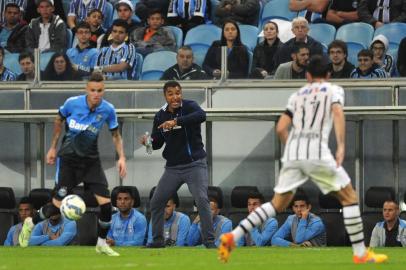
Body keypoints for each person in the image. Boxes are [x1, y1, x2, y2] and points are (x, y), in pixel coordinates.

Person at [218, 55, 388, 264]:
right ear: (328, 75)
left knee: (276, 204)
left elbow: (281, 127)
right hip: (316, 151)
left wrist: (293, 148)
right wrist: (342, 146)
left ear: (307, 75)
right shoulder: (334, 90)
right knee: (350, 197)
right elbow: (337, 114)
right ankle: (360, 253)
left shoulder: (297, 96)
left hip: (293, 152)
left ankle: (232, 236)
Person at [18, 72, 127, 256]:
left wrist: (122, 157)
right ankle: (30, 222)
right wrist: (52, 148)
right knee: (57, 205)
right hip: (69, 160)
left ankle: (101, 243)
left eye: (100, 90)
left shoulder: (108, 109)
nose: (96, 94)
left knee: (107, 204)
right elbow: (58, 119)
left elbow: (116, 135)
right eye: (93, 90)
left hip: (92, 161)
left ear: (104, 90)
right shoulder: (72, 103)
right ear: (87, 89)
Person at [140, 80, 215, 248]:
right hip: (173, 167)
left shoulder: (190, 106)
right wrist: (147, 142)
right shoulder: (160, 115)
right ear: (165, 96)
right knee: (157, 201)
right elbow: (157, 142)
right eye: (171, 94)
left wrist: (176, 122)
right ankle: (158, 241)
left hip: (194, 164)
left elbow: (201, 116)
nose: (175, 97)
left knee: (202, 200)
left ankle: (210, 242)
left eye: (178, 93)